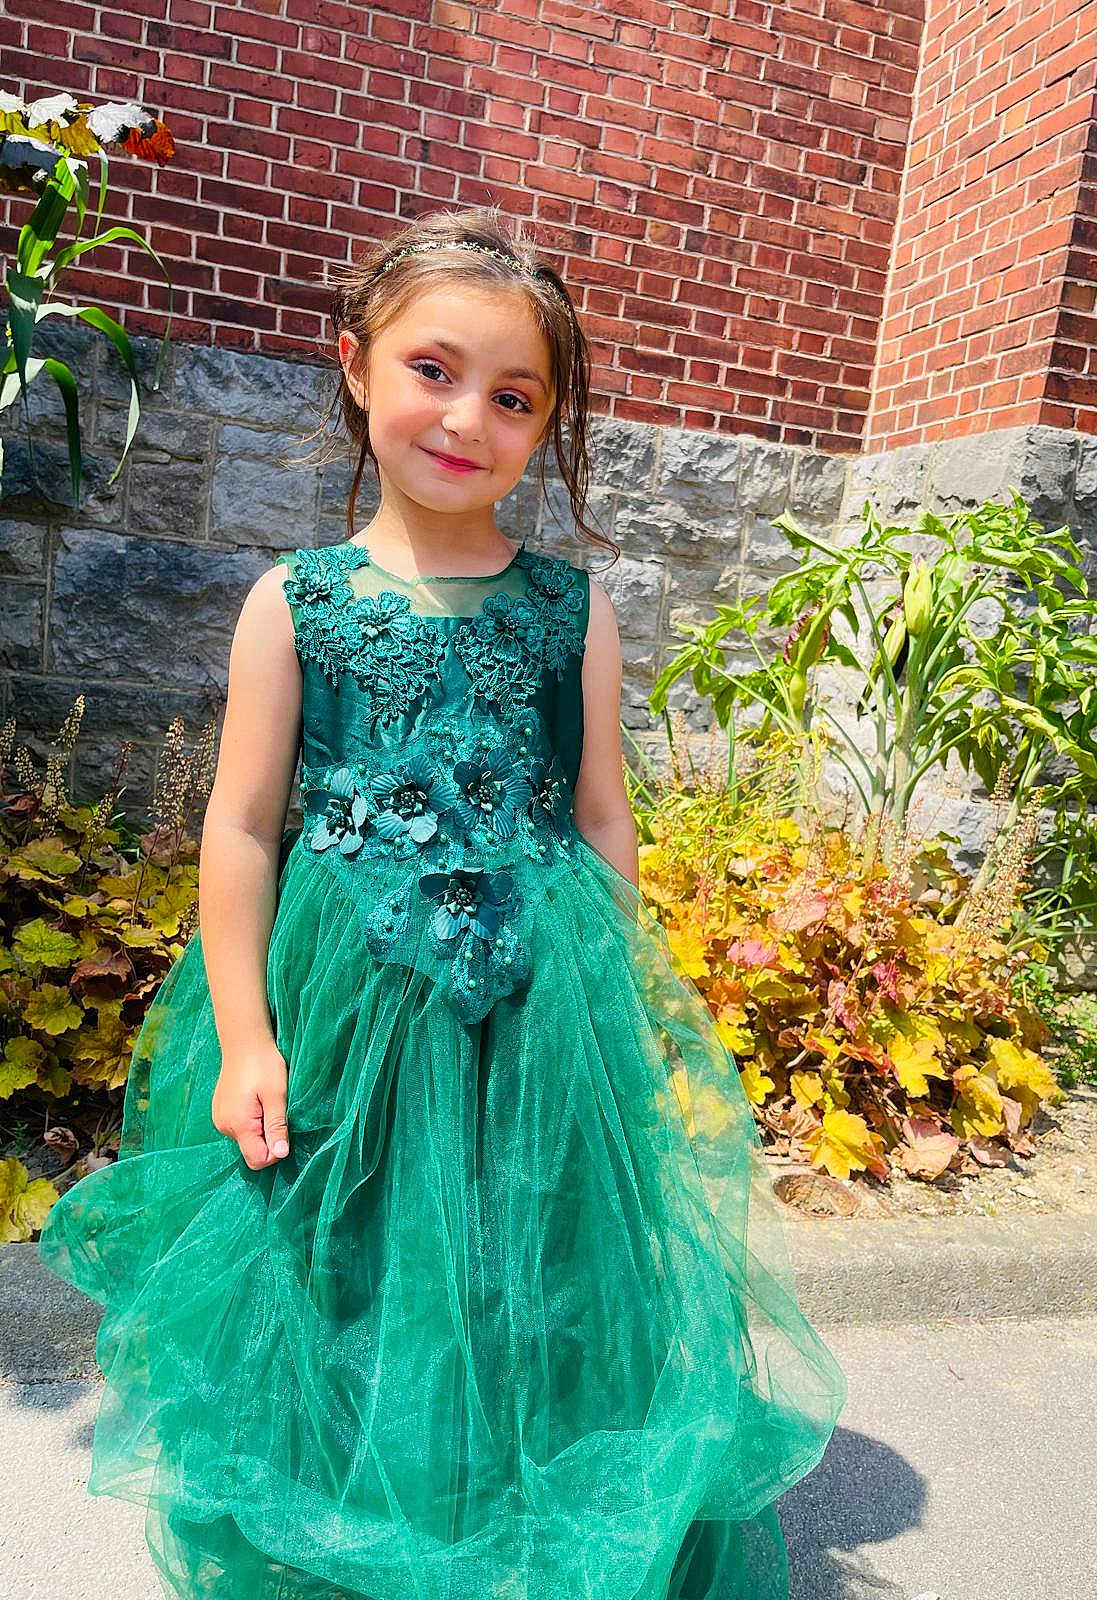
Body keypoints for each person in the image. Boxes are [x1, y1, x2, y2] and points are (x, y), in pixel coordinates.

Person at [37, 203, 847, 1600]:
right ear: (357, 366)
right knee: (346, 1272)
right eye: (433, 368)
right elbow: (240, 826)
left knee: (535, 1274)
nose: (468, 415)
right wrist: (245, 1037)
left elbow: (598, 812)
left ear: (546, 423)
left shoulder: (565, 608)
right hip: (349, 1006)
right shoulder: (295, 605)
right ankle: (362, 1543)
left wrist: (623, 1009)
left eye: (515, 395)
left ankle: (517, 1548)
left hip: (541, 1007)